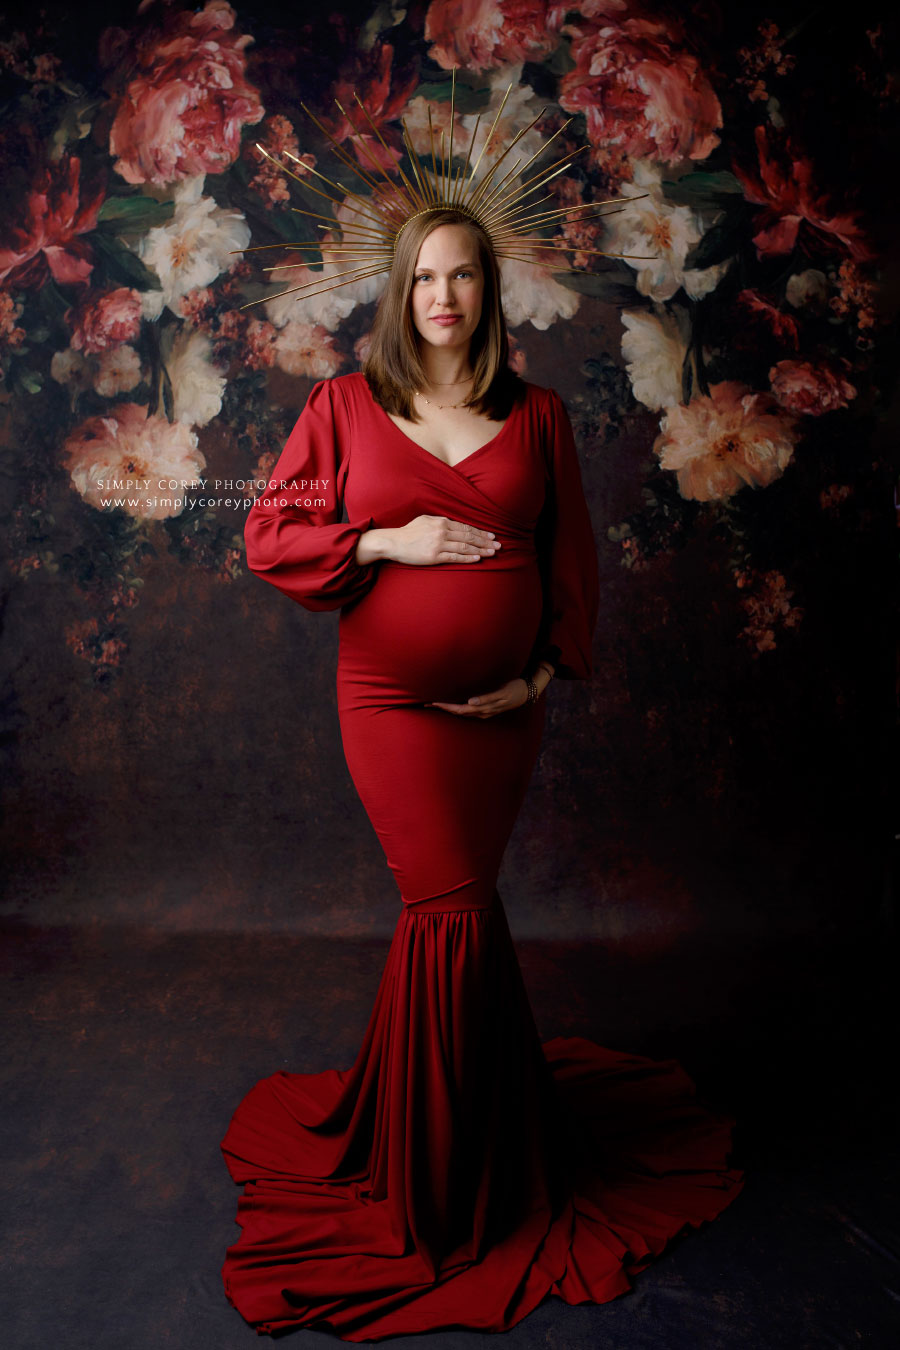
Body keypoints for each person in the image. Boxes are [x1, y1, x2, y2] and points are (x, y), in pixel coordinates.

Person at [220, 204, 744, 1341]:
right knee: (445, 907)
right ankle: (442, 1189)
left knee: (461, 911)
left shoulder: (539, 416)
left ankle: (483, 1142)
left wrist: (543, 677)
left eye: (461, 278)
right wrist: (381, 542)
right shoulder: (346, 407)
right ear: (398, 295)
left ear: (486, 293)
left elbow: (570, 561)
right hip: (387, 703)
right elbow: (267, 532)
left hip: (499, 714)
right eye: (423, 280)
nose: (443, 298)